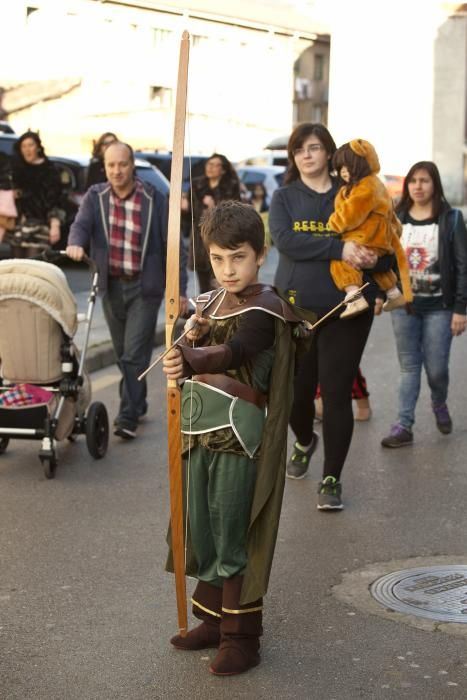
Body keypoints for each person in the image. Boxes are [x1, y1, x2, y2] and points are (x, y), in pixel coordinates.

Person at [163, 201, 307, 675]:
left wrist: (194, 358)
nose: (227, 269)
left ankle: (242, 637)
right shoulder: (205, 304)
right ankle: (210, 619)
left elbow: (240, 349)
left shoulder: (266, 306)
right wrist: (180, 346)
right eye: (218, 258)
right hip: (196, 433)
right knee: (201, 527)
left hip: (238, 437)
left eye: (238, 257)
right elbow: (187, 350)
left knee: (231, 531)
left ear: (260, 254)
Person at [269, 122, 394, 510]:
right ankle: (306, 441)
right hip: (297, 308)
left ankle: (331, 477)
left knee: (337, 392)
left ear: (329, 152)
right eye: (299, 150)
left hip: (348, 308)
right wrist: (339, 249)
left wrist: (375, 256)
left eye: (314, 147)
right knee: (296, 396)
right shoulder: (285, 197)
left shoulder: (357, 193)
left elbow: (387, 240)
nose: (307, 155)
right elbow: (286, 240)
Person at [66, 141, 188, 439]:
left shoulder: (153, 197)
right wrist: (75, 242)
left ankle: (127, 416)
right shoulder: (96, 196)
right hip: (111, 286)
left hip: (144, 289)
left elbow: (174, 247)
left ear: (132, 164)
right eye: (111, 165)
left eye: (122, 164)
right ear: (105, 167)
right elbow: (81, 225)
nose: (117, 171)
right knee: (124, 354)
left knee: (134, 354)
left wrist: (181, 290)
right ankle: (140, 399)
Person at [381, 161, 467, 447]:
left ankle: (439, 402)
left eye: (424, 180)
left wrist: (460, 309)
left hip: (440, 308)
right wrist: (381, 294)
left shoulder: (451, 219)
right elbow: (386, 261)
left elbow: (462, 265)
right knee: (409, 367)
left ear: (435, 185)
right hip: (405, 306)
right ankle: (404, 425)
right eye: (413, 181)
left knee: (437, 368)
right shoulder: (397, 217)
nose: (418, 186)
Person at [328, 139, 412, 319]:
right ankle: (394, 294)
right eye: (340, 167)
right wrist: (393, 233)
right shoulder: (374, 184)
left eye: (348, 166)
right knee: (380, 270)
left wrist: (334, 224)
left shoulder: (365, 186)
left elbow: (351, 214)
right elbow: (392, 217)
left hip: (367, 236)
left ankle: (354, 297)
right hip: (378, 237)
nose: (343, 171)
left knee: (342, 262)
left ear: (362, 165)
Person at [183, 153, 241, 293]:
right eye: (209, 164)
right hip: (199, 241)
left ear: (224, 169)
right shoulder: (197, 185)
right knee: (203, 287)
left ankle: (222, 314)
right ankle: (205, 314)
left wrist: (214, 207)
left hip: (221, 239)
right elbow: (189, 217)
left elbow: (236, 215)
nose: (211, 168)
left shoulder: (231, 186)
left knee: (220, 284)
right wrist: (184, 208)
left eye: (216, 165)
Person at [12, 131, 64, 245]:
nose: (27, 149)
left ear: (38, 148)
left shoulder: (50, 170)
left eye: (31, 145)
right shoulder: (18, 170)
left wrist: (55, 226)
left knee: (35, 262)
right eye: (23, 146)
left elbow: (56, 201)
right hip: (20, 228)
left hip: (42, 226)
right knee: (17, 262)